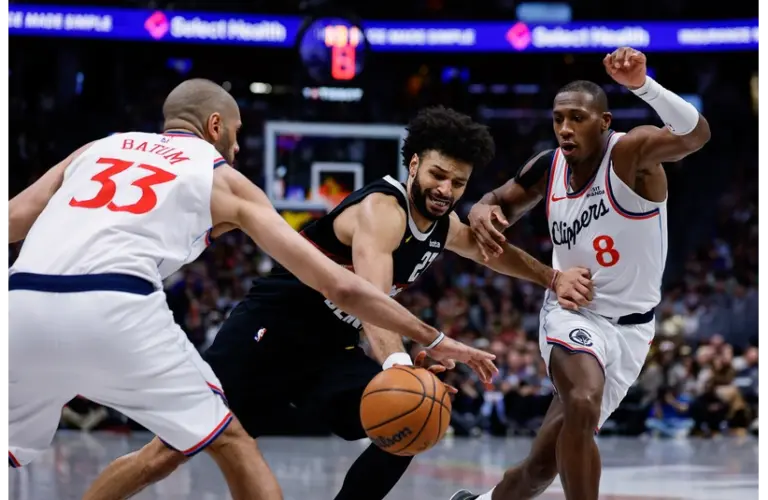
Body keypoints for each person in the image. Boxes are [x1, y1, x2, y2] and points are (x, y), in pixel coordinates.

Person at [6, 78, 496, 500]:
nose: (238, 150)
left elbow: (12, 219)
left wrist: (546, 277)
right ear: (215, 126)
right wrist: (429, 338)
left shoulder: (97, 148)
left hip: (23, 300)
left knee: (409, 420)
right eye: (237, 136)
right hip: (162, 310)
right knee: (216, 445)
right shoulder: (225, 179)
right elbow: (340, 285)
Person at [81, 105, 594, 500]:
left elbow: (494, 254)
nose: (446, 189)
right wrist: (398, 360)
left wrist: (551, 276)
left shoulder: (442, 224)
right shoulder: (380, 210)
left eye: (458, 183)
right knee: (164, 455)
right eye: (437, 174)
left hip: (326, 355)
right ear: (413, 163)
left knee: (416, 420)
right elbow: (369, 296)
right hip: (265, 338)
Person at [452, 47, 711, 500]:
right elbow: (496, 203)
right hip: (572, 311)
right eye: (558, 119)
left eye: (577, 118)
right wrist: (479, 209)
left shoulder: (630, 154)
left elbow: (696, 136)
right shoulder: (548, 165)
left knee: (541, 466)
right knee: (583, 399)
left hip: (632, 331)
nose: (565, 129)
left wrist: (643, 87)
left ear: (604, 122)